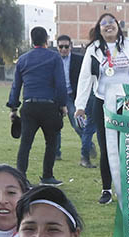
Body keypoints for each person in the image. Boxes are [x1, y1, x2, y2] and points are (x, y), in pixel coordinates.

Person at [72, 12, 129, 205]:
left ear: (118, 26)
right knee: (107, 148)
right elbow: (85, 78)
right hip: (103, 103)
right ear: (99, 29)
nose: (108, 26)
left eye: (111, 22)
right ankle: (106, 189)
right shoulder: (94, 49)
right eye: (103, 24)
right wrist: (80, 106)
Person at [9, 27, 68, 186]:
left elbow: (16, 85)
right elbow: (60, 83)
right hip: (49, 105)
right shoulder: (54, 58)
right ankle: (47, 176)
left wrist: (13, 108)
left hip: (29, 106)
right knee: (51, 142)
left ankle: (21, 177)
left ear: (32, 39)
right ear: (46, 39)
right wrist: (63, 104)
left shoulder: (23, 59)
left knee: (26, 143)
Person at [54, 35, 96, 169]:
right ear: (57, 47)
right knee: (55, 125)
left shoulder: (79, 59)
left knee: (77, 123)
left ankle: (88, 145)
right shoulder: (53, 60)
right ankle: (56, 152)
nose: (64, 49)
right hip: (57, 95)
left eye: (66, 46)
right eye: (61, 47)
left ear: (71, 47)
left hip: (74, 95)